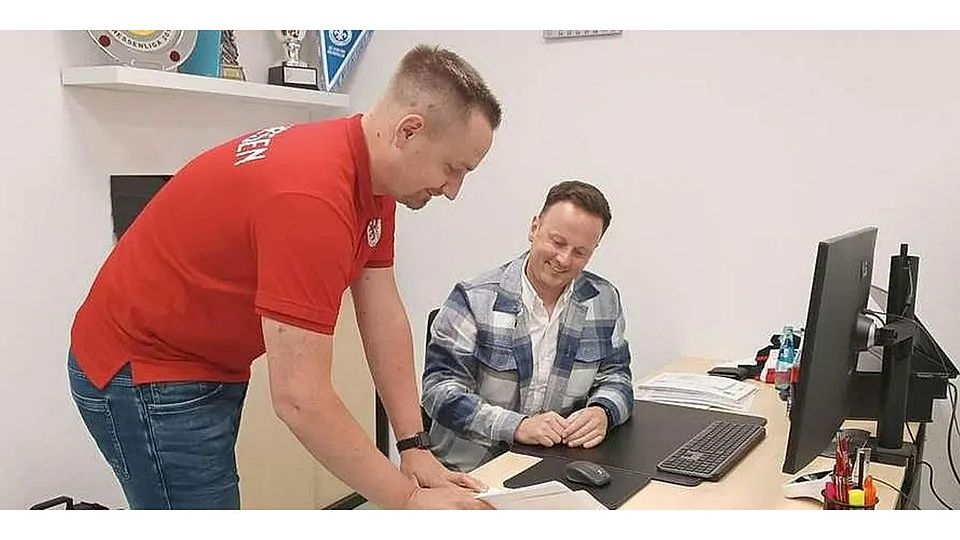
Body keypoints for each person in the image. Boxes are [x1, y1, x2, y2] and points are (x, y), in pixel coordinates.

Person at [67, 44, 502, 510]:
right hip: (144, 368)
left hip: (205, 358)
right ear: (408, 131)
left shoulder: (373, 177)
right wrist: (407, 502)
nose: (453, 191)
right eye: (453, 168)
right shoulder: (312, 197)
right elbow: (299, 398)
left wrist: (413, 445)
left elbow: (382, 312)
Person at [422, 180, 634, 472]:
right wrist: (517, 427)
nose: (564, 259)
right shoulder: (473, 299)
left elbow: (616, 377)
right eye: (557, 242)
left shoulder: (603, 300)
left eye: (580, 252)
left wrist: (603, 411)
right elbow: (439, 392)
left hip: (555, 466)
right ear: (535, 228)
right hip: (470, 471)